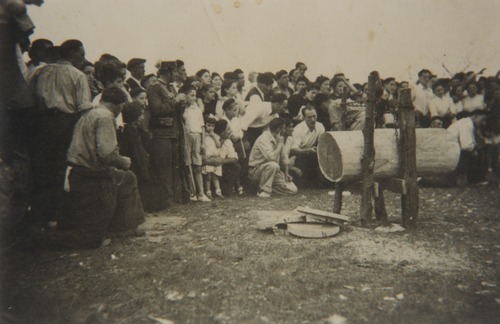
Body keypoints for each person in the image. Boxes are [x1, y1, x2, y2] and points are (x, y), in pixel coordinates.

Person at [37, 88, 145, 249]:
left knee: (127, 178)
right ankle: (36, 238)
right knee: (89, 238)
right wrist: (123, 161)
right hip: (91, 178)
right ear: (118, 105)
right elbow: (107, 154)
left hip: (79, 173)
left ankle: (123, 227)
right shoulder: (105, 117)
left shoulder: (89, 114)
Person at [28, 39, 92, 228]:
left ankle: (41, 217)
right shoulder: (77, 75)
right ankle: (58, 217)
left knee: (42, 170)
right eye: (81, 54)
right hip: (66, 123)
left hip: (41, 124)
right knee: (63, 169)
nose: (82, 58)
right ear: (71, 54)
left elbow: (31, 100)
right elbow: (83, 107)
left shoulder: (39, 73)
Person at [147, 61, 187, 205]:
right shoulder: (154, 88)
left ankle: (175, 199)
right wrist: (175, 101)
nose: (176, 74)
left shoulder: (170, 88)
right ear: (168, 72)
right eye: (175, 72)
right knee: (164, 168)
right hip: (161, 134)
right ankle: (165, 200)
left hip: (174, 133)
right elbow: (157, 109)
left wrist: (181, 105)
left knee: (175, 165)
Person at [248, 118, 297, 198]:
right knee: (273, 165)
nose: (285, 130)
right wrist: (280, 145)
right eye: (284, 128)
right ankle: (263, 190)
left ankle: (267, 188)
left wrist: (287, 174)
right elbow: (271, 157)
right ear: (278, 130)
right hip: (255, 171)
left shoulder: (279, 139)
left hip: (273, 172)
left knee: (293, 190)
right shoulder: (263, 138)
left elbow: (284, 159)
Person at [182, 86, 210, 202]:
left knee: (198, 166)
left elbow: (202, 127)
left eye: (195, 95)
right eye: (191, 95)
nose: (193, 98)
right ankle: (191, 192)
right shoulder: (182, 110)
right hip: (187, 137)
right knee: (188, 165)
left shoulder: (197, 109)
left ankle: (201, 193)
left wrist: (203, 142)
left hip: (197, 137)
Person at [447, 110, 488, 186]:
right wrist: (475, 150)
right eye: (482, 120)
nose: (483, 123)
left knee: (479, 148)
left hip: (454, 148)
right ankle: (474, 179)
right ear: (475, 116)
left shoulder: (468, 124)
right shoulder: (466, 124)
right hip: (450, 150)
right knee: (477, 152)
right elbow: (466, 146)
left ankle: (468, 178)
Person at [290, 106, 325, 184]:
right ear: (304, 118)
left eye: (314, 116)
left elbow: (322, 143)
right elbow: (293, 149)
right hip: (298, 156)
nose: (312, 119)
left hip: (312, 154)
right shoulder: (298, 129)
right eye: (309, 117)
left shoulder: (320, 126)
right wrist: (308, 151)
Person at [213, 119, 243, 196]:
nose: (230, 131)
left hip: (222, 167)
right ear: (222, 132)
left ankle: (227, 189)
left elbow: (235, 158)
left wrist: (223, 161)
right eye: (228, 129)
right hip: (211, 166)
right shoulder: (211, 140)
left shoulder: (228, 141)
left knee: (236, 167)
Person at [202, 117, 223, 199]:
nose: (210, 128)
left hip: (215, 157)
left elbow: (218, 145)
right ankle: (208, 192)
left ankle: (218, 191)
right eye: (208, 125)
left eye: (212, 126)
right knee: (208, 176)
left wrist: (213, 136)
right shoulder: (203, 137)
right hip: (208, 158)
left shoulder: (216, 136)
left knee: (215, 176)